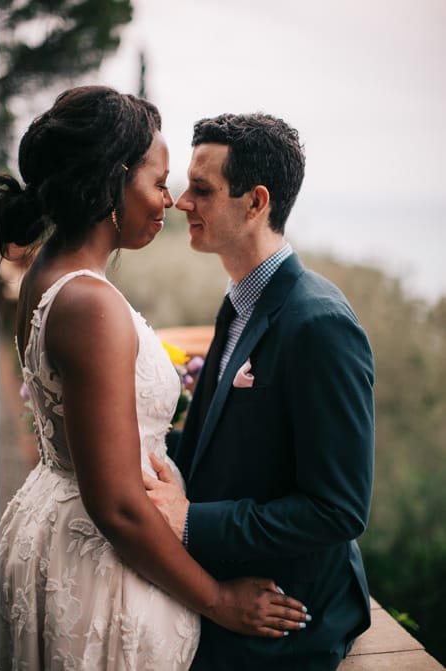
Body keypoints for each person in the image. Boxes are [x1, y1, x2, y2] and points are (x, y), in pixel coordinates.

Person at [0, 86, 309, 671]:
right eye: (159, 181)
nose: (170, 200)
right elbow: (115, 504)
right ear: (111, 184)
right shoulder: (92, 305)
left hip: (49, 523)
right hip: (101, 559)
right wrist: (220, 600)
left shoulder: (45, 270)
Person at [146, 113, 374, 670]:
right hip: (227, 578)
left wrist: (189, 522)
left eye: (202, 190)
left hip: (288, 613)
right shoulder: (242, 301)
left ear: (256, 202)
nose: (181, 203)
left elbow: (338, 509)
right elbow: (221, 442)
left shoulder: (319, 325)